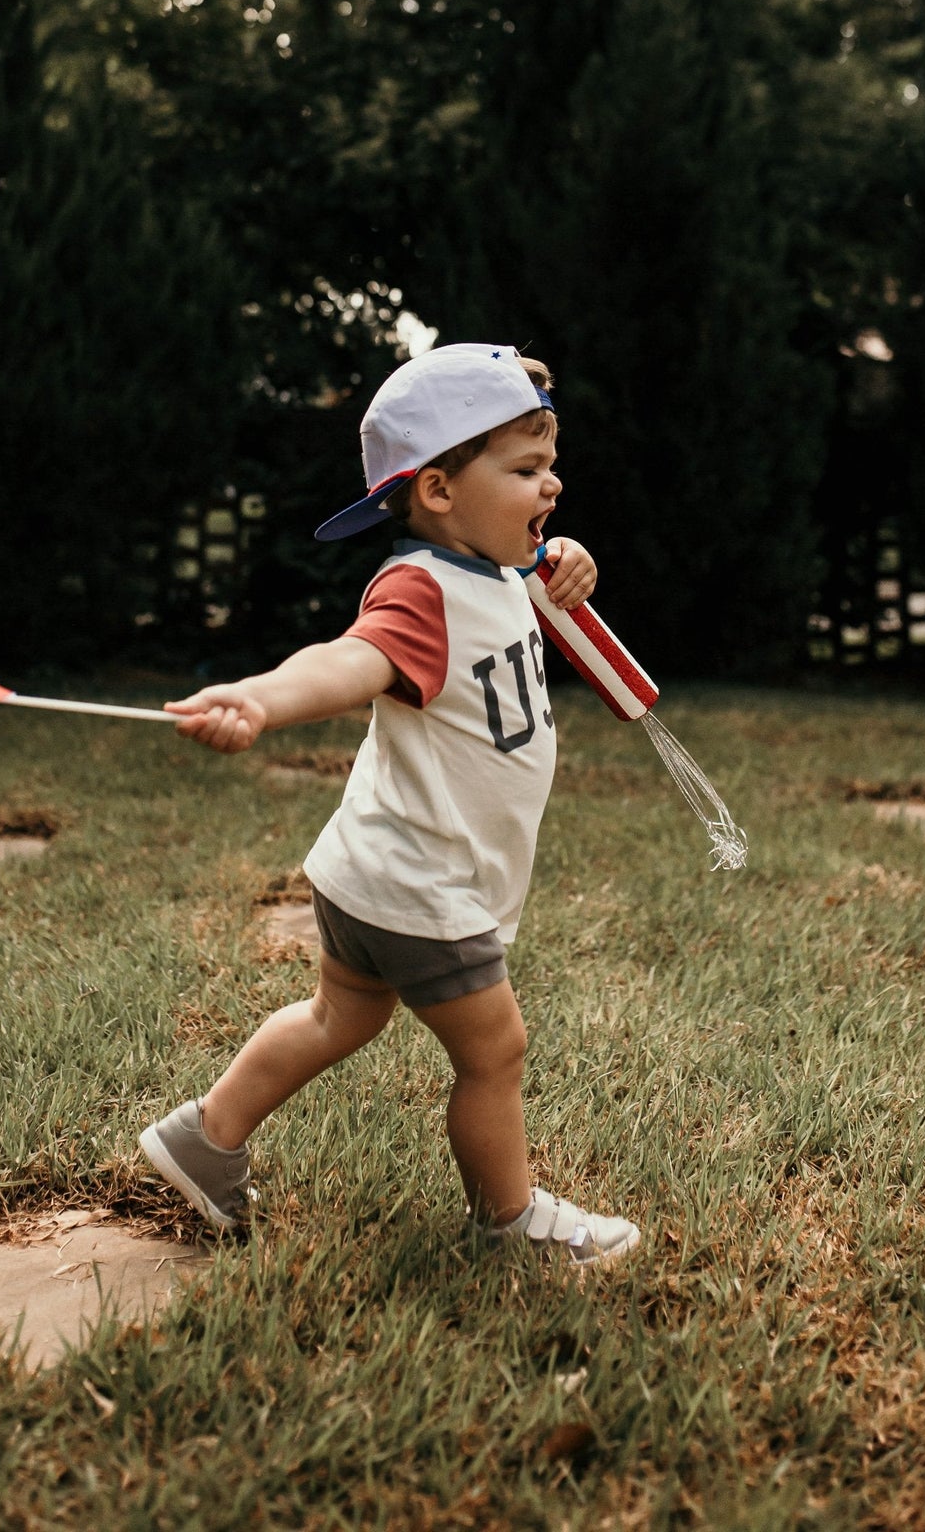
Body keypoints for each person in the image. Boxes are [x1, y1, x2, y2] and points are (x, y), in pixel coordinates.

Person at [139, 343, 640, 1267]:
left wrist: (568, 561)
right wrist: (261, 695)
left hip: (369, 871)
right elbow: (349, 659)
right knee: (494, 1053)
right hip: (421, 882)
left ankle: (202, 1141)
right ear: (440, 492)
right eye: (526, 469)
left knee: (342, 1018)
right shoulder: (419, 588)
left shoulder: (491, 571)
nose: (553, 486)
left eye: (551, 466)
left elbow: (538, 578)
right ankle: (508, 1223)